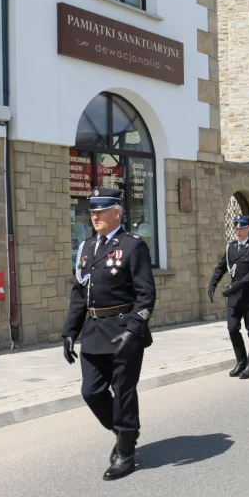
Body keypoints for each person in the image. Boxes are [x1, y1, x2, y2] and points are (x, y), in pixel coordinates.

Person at [62, 187, 156, 481]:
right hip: (92, 331)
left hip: (122, 330)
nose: (95, 216)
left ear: (117, 212)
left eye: (101, 211)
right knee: (91, 391)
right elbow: (80, 293)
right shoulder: (87, 247)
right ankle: (123, 432)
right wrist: (70, 331)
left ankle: (125, 452)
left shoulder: (133, 246)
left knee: (123, 392)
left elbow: (146, 295)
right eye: (92, 212)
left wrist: (134, 329)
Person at [207, 215, 249, 379]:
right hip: (234, 299)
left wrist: (235, 286)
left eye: (241, 228)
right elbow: (221, 268)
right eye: (236, 228)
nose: (238, 231)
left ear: (248, 229)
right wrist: (212, 284)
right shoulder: (230, 247)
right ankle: (241, 361)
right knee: (232, 329)